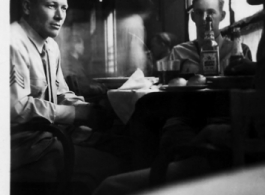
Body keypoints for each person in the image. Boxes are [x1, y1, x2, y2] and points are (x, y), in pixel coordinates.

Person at [92, 0, 259, 194]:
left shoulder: (239, 51)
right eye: (199, 13)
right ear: (193, 17)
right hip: (185, 120)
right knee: (165, 134)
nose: (206, 19)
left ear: (222, 16)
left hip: (224, 121)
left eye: (211, 13)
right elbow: (167, 93)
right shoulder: (179, 52)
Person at [10, 0, 128, 193]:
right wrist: (76, 114)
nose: (59, 15)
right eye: (51, 5)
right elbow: (16, 108)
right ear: (27, 7)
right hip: (22, 150)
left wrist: (89, 108)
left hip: (50, 137)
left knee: (122, 145)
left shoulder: (51, 46)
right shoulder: (11, 42)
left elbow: (61, 93)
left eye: (64, 8)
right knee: (114, 168)